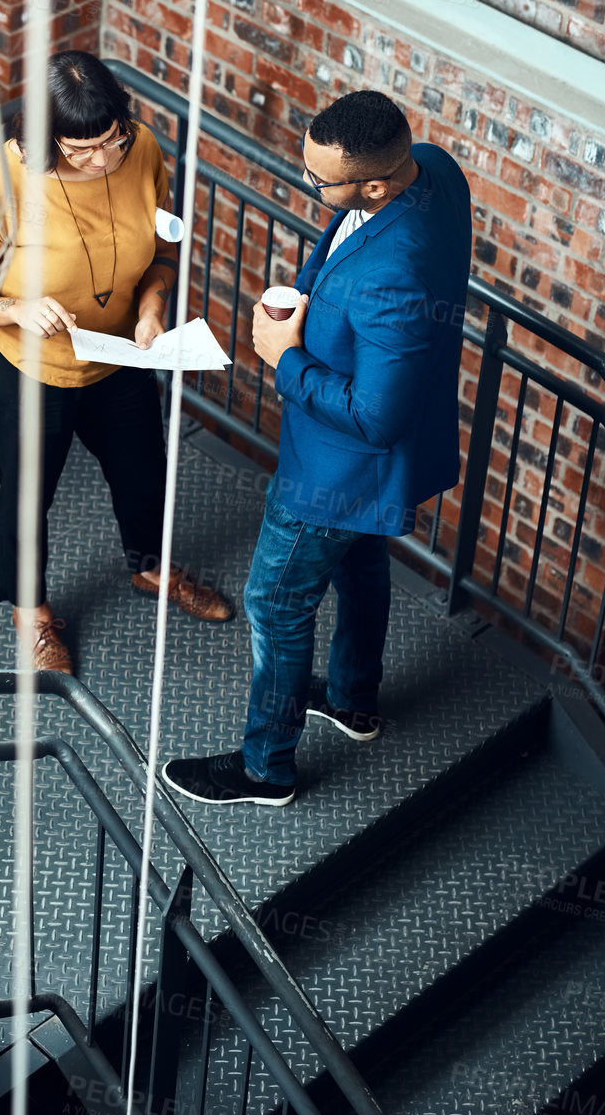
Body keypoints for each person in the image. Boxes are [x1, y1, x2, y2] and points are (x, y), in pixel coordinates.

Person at [162, 88, 472, 806]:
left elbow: (374, 418)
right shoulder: (431, 165)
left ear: (372, 182)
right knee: (358, 560)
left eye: (318, 179)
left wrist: (284, 355)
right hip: (355, 478)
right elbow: (345, 245)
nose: (309, 185)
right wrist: (308, 299)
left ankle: (265, 767)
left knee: (273, 600)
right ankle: (351, 700)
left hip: (336, 467)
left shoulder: (392, 276)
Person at [0, 50, 233, 672]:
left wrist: (153, 308)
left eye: (112, 140)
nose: (104, 160)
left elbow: (160, 253)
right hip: (25, 365)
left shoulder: (143, 150)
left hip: (118, 350)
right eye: (82, 151)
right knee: (27, 496)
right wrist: (17, 308)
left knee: (143, 470)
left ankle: (151, 570)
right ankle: (31, 614)